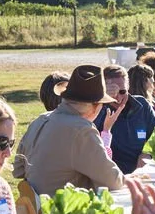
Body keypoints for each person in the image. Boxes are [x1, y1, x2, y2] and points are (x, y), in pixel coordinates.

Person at [13, 66, 126, 196]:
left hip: (35, 205)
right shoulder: (82, 130)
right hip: (63, 207)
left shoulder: (39, 120)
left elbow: (18, 170)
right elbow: (113, 181)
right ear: (95, 106)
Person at [94, 64, 155, 174]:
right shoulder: (96, 109)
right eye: (112, 93)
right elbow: (89, 134)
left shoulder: (142, 105)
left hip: (141, 173)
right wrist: (102, 101)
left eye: (122, 92)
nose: (118, 98)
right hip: (112, 173)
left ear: (128, 87)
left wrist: (147, 153)